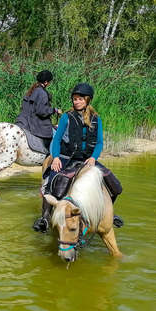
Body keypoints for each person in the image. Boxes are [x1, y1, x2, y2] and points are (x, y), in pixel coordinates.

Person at [32, 83, 124, 233]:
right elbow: (56, 140)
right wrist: (55, 158)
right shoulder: (67, 117)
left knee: (113, 183)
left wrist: (94, 158)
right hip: (66, 157)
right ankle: (44, 218)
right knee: (52, 184)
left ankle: (108, 213)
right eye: (74, 99)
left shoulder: (96, 119)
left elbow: (99, 142)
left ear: (87, 100)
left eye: (80, 99)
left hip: (87, 160)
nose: (76, 102)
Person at [15, 70, 61, 151]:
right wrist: (54, 110)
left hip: (23, 120)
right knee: (56, 135)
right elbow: (41, 111)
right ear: (46, 82)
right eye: (49, 82)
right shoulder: (42, 93)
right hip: (34, 123)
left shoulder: (32, 90)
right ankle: (52, 157)